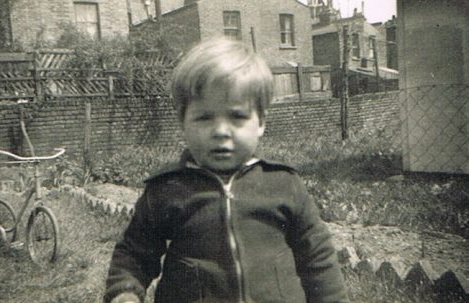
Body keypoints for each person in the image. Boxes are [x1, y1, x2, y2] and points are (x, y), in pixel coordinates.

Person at [104, 37, 349, 303]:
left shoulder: (283, 184)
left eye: (237, 117)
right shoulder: (167, 189)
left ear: (261, 122)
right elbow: (134, 252)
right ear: (182, 121)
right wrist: (125, 290)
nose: (221, 131)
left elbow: (318, 256)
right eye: (205, 117)